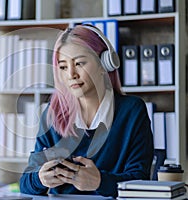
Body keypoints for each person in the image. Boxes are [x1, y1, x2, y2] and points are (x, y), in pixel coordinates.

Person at [19, 24, 154, 198]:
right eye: (63, 67)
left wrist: (100, 182)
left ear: (103, 64)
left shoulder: (131, 111)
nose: (71, 74)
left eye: (79, 63)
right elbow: (25, 184)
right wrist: (40, 179)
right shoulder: (53, 115)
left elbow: (140, 181)